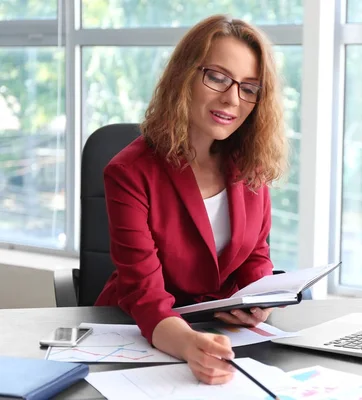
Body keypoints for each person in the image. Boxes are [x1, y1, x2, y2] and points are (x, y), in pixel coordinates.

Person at [94, 14, 288, 385]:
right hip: (143, 336)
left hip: (224, 335)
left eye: (249, 87)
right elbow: (145, 296)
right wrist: (190, 345)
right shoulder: (130, 172)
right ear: (185, 76)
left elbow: (255, 254)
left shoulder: (249, 162)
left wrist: (256, 303)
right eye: (217, 77)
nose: (232, 98)